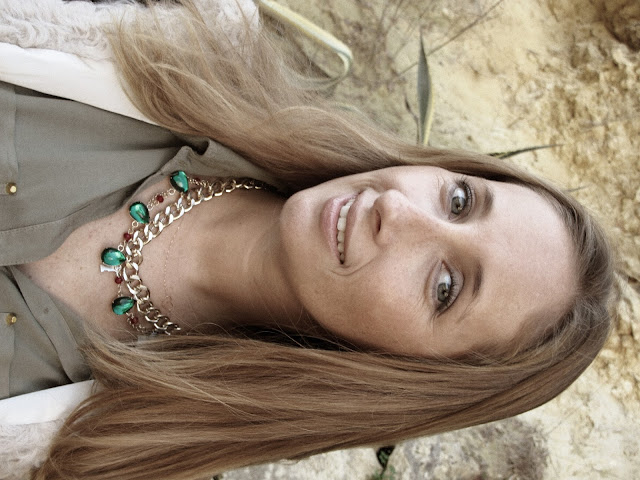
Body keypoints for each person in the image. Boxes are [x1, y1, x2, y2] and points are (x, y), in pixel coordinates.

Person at [0, 1, 614, 479]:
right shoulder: (188, 36)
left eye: (446, 286)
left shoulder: (104, 446)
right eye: (459, 200)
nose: (397, 210)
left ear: (409, 375)